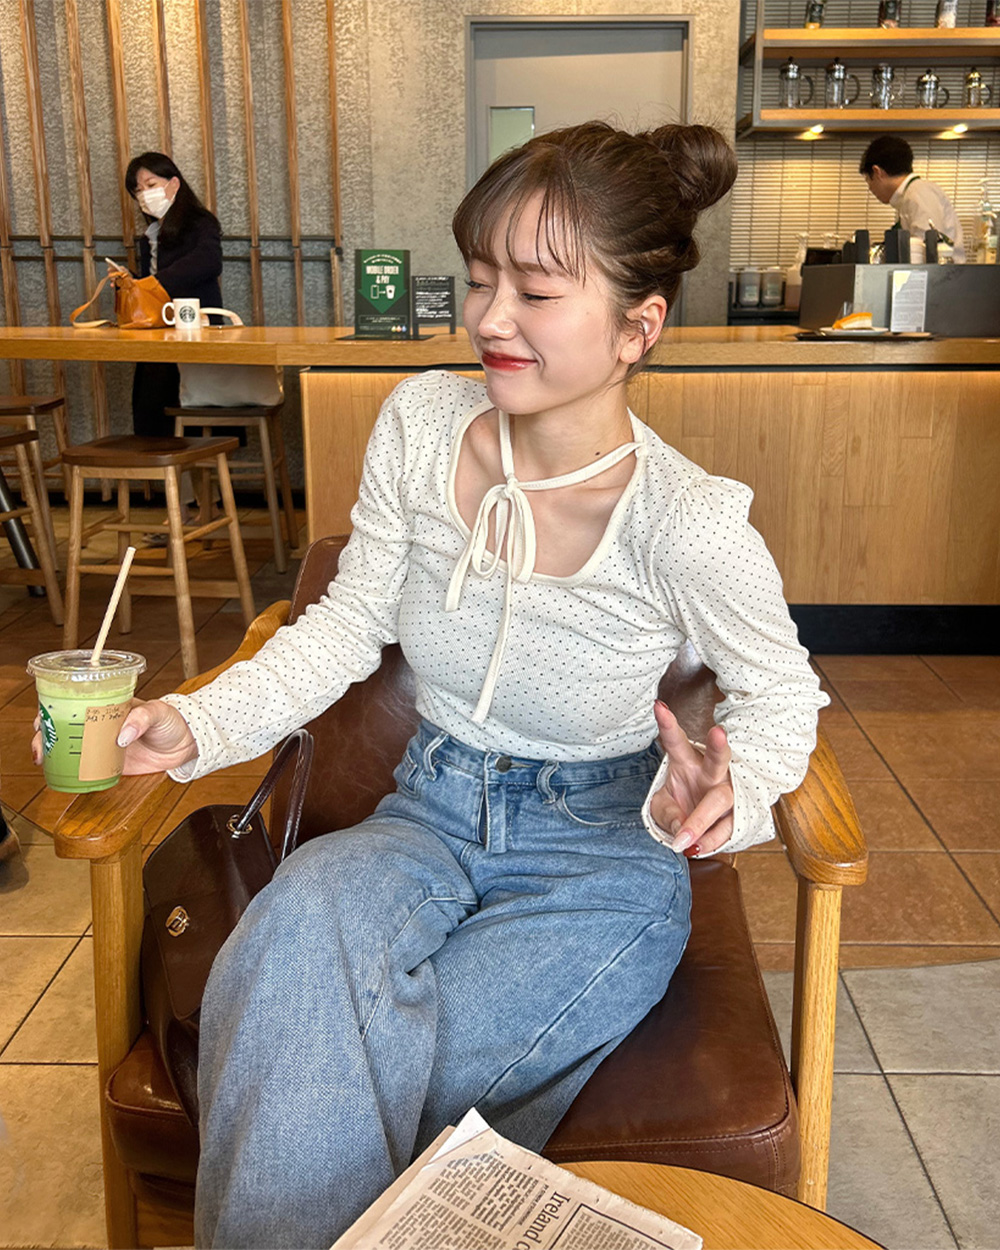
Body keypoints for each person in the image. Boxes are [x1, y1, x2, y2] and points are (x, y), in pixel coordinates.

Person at [43, 121, 828, 1248]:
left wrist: (732, 793)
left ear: (637, 327)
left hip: (599, 858)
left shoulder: (688, 520)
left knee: (318, 1058)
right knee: (284, 947)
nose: (490, 319)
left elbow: (782, 697)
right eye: (478, 279)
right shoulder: (420, 423)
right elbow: (346, 626)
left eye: (537, 291)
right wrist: (194, 722)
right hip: (422, 811)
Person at [122, 152, 223, 439]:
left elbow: (209, 261)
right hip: (159, 333)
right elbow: (151, 284)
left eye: (151, 185)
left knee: (188, 403)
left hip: (196, 329)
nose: (144, 195)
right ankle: (159, 458)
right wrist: (130, 283)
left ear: (174, 184)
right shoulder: (151, 234)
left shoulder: (200, 222)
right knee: (152, 404)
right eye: (138, 190)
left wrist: (154, 283)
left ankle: (192, 460)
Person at [859, 134, 965, 262]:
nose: (870, 188)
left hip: (944, 274)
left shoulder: (918, 193)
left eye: (868, 180)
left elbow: (926, 250)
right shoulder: (910, 195)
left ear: (877, 172)